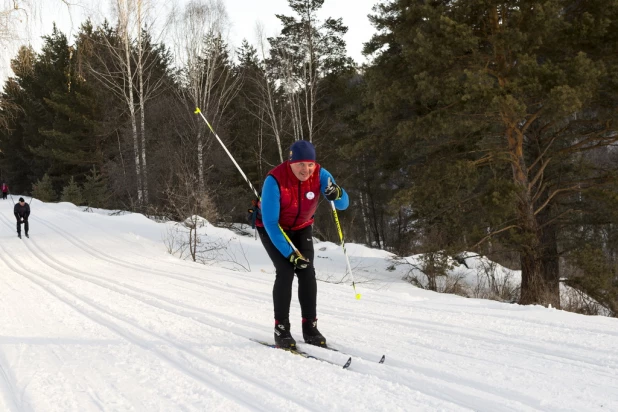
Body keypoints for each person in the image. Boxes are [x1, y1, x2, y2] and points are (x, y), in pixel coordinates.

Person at [256, 140, 349, 349]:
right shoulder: (275, 180)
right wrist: (290, 253)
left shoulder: (321, 175)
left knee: (307, 271)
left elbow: (344, 204)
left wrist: (338, 194)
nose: (305, 170)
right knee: (286, 271)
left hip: (301, 227)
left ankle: (310, 327)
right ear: (290, 162)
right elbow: (271, 223)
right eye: (300, 164)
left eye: (310, 164)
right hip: (274, 228)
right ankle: (281, 328)